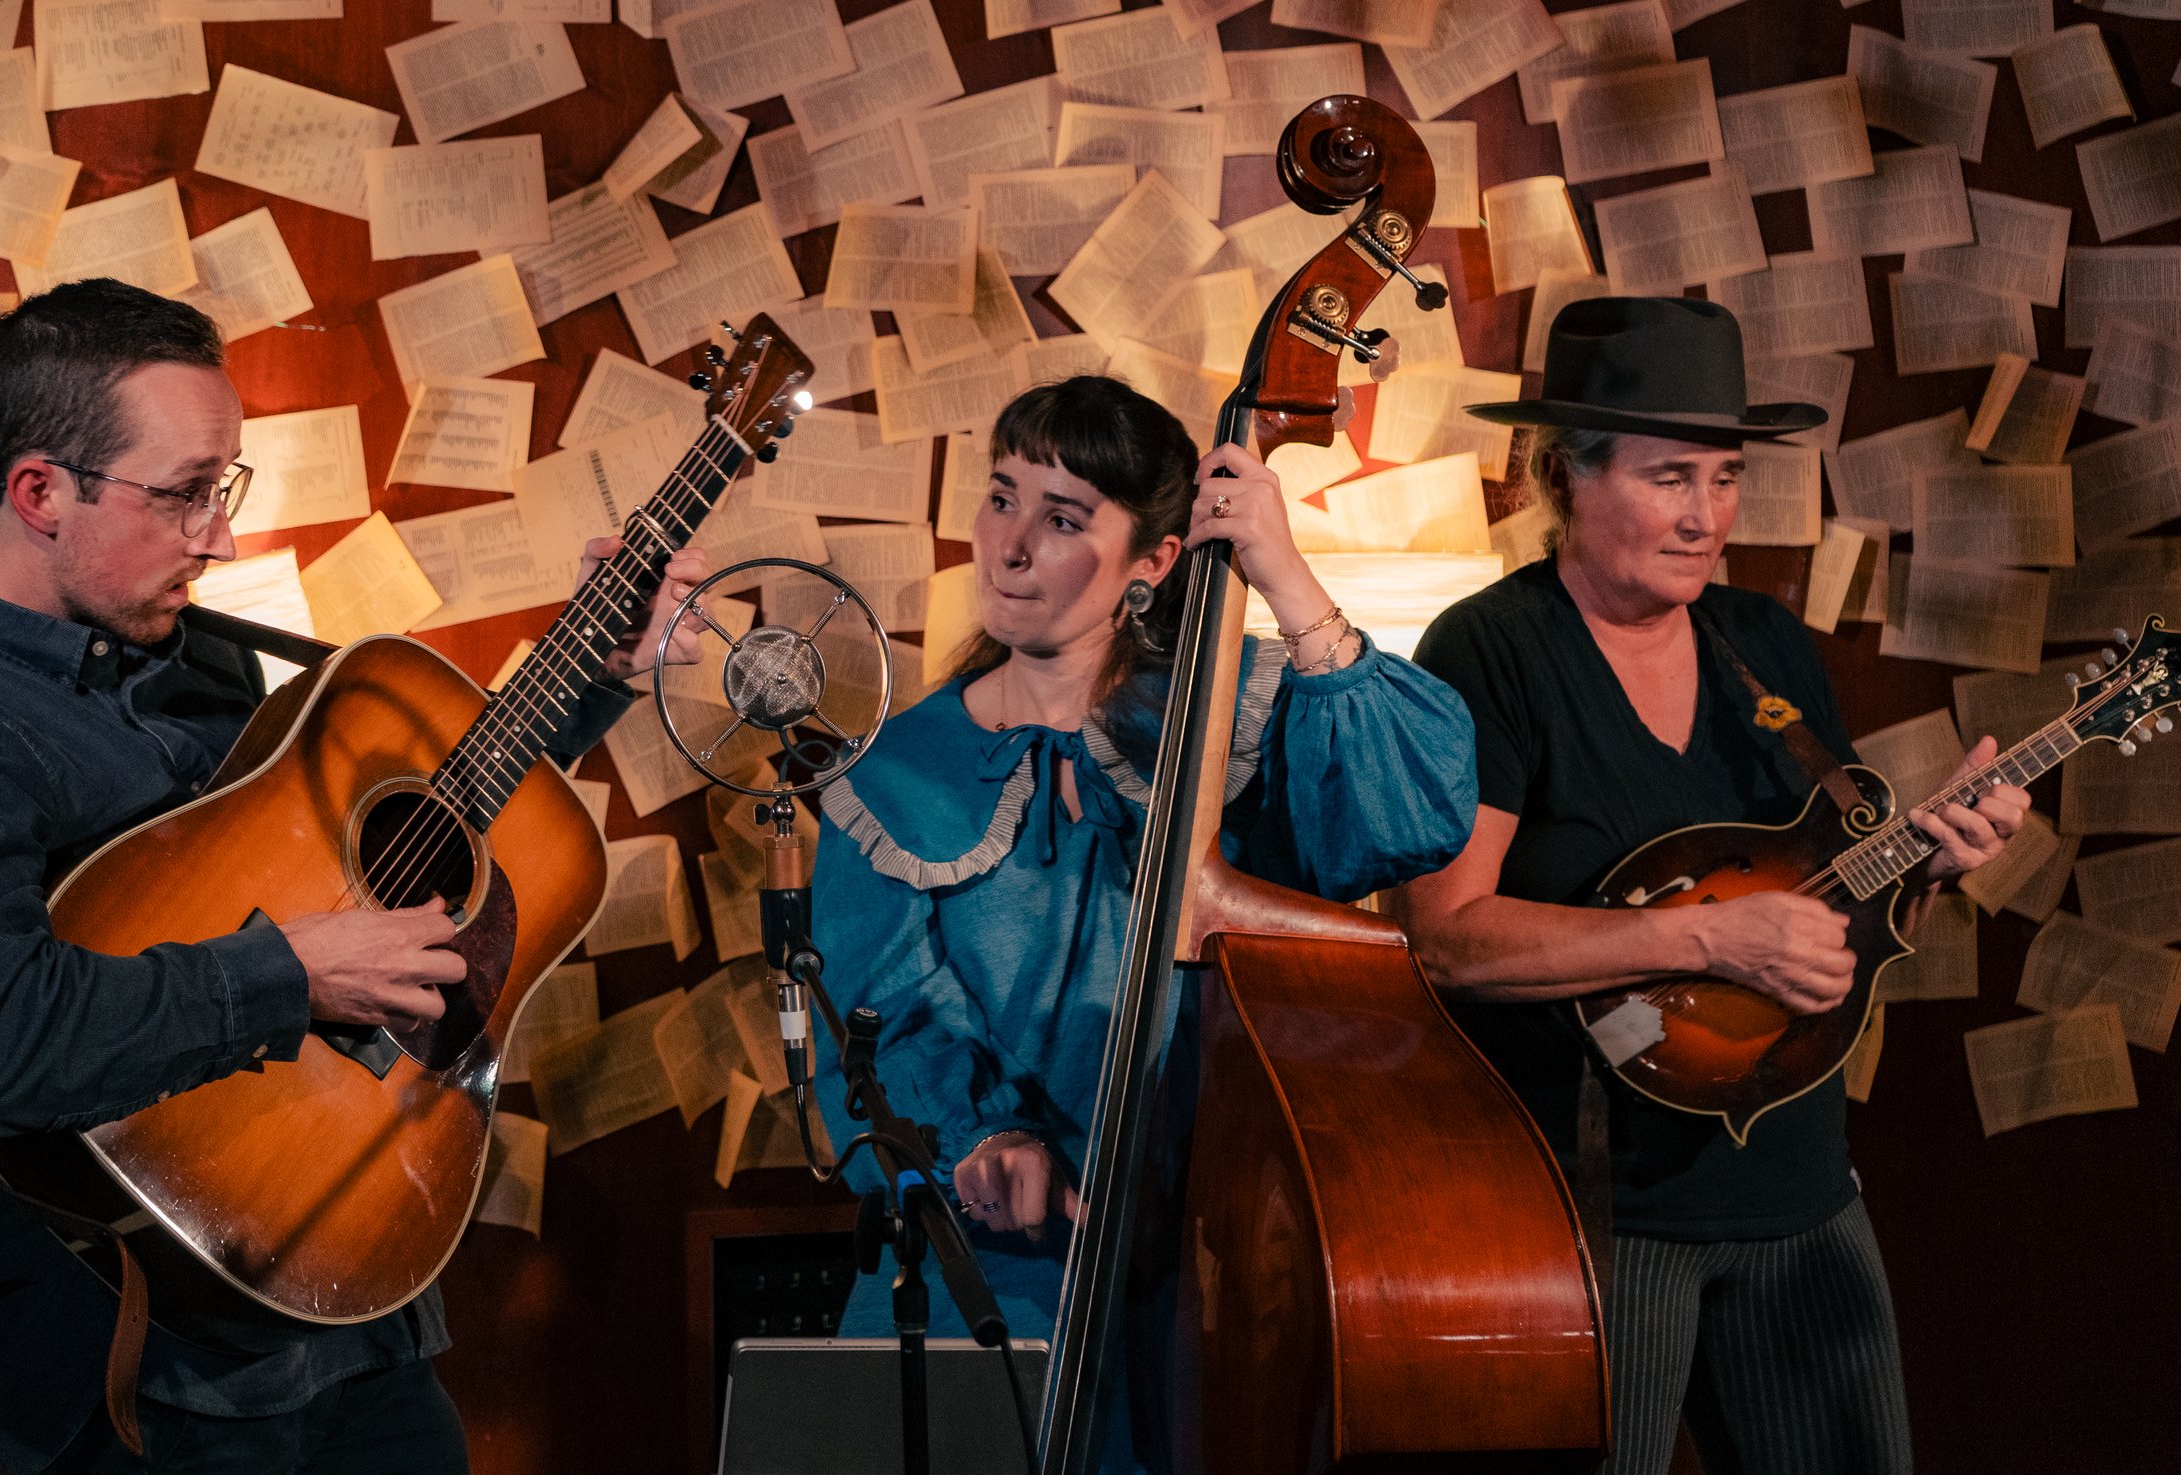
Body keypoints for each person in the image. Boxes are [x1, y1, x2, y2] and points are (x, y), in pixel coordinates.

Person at [0, 279, 712, 1475]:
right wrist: (286, 976)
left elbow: (367, 852)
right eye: (187, 493)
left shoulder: (176, 638)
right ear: (39, 490)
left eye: (223, 489)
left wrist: (595, 676)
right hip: (145, 1353)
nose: (224, 536)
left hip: (352, 1289)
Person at [1403, 296, 2028, 1475]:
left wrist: (1935, 865)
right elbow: (1452, 940)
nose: (1706, 518)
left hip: (1797, 1188)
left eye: (1727, 478)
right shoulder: (1490, 649)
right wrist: (1706, 942)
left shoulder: (1766, 643)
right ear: (1563, 475)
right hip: (1600, 1212)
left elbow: (1828, 908)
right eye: (1669, 477)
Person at [809, 374, 1478, 1470]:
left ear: (1152, 563)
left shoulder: (1234, 714)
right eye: (1001, 496)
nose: (1010, 544)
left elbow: (1411, 815)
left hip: (1231, 1258)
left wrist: (1281, 570)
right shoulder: (897, 772)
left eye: (1064, 518)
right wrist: (981, 1139)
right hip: (1000, 1269)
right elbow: (879, 1030)